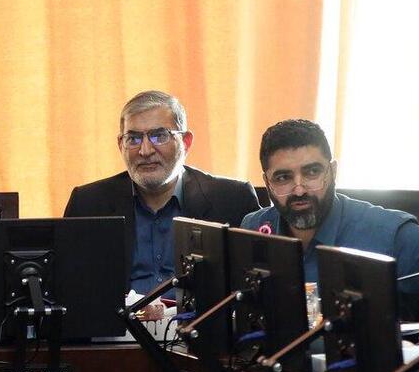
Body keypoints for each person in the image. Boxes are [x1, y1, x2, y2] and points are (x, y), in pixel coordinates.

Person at [64, 90, 260, 296]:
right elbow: (67, 289)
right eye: (134, 139)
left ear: (185, 142)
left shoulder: (232, 199)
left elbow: (254, 290)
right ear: (121, 145)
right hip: (118, 317)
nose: (145, 150)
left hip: (199, 317)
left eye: (159, 136)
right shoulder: (88, 203)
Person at [241, 119, 419, 318]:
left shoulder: (398, 237)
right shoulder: (253, 228)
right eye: (283, 177)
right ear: (267, 183)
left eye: (312, 172)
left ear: (333, 171)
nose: (299, 190)